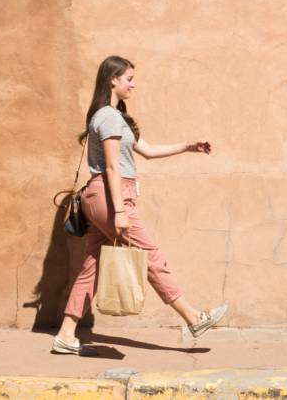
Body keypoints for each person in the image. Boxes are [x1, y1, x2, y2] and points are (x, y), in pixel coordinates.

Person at [52, 55, 227, 356]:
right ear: (113, 80)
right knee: (150, 257)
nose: (133, 84)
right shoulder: (107, 116)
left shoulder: (114, 116)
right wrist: (120, 211)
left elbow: (146, 150)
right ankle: (193, 318)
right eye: (129, 78)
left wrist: (188, 147)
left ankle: (66, 334)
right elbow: (110, 167)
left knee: (92, 266)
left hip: (105, 197)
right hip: (111, 196)